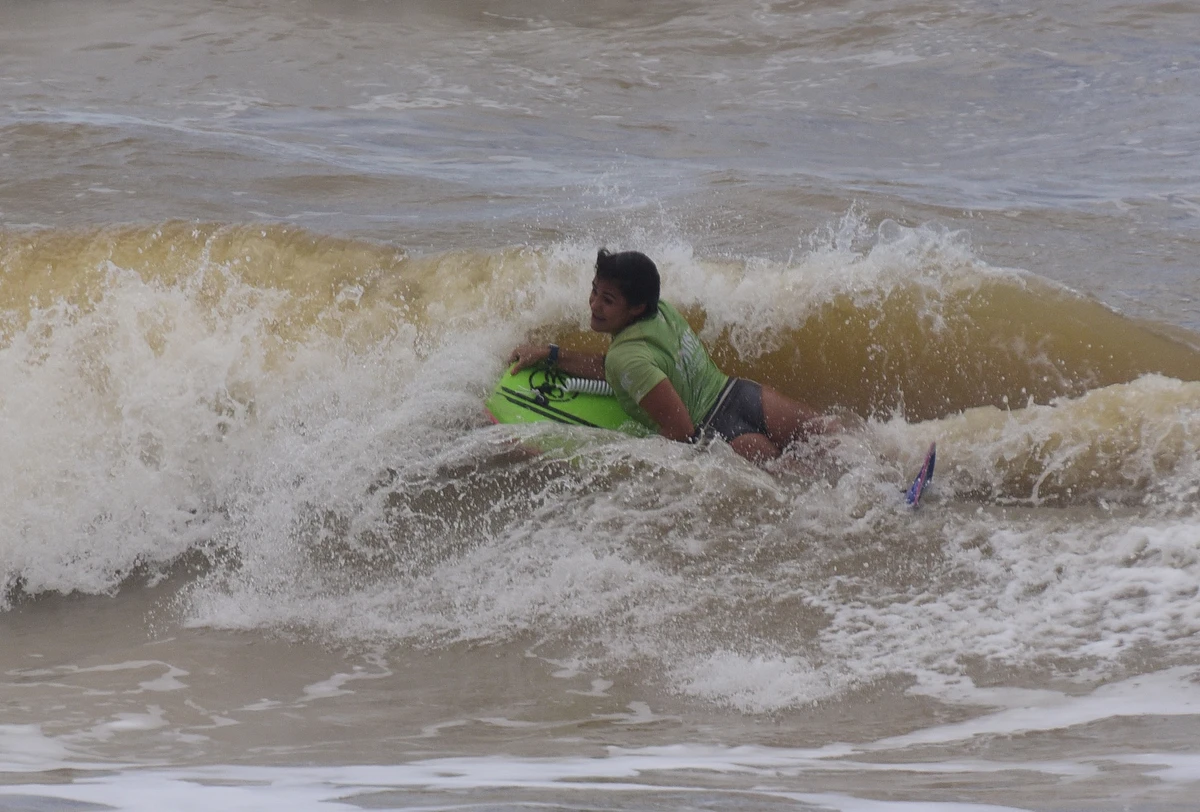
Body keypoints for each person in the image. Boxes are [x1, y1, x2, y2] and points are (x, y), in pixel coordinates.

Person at [509, 249, 840, 464]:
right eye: (595, 290)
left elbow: (680, 430)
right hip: (743, 395)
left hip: (721, 433)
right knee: (834, 437)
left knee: (805, 489)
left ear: (635, 307)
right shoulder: (661, 311)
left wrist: (619, 461)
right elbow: (620, 367)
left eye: (607, 299)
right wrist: (551, 355)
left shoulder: (626, 358)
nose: (594, 304)